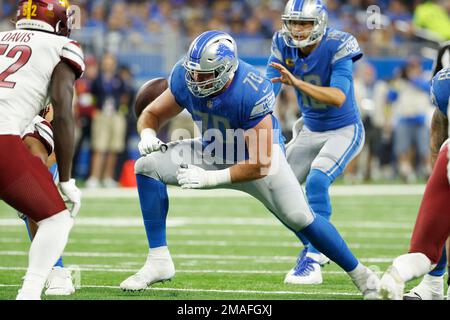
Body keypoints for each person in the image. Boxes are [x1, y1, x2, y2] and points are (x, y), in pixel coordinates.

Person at [119, 30, 379, 299]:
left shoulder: (251, 89)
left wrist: (210, 179)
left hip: (256, 159)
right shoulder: (185, 76)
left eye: (205, 74)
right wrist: (148, 133)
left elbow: (261, 163)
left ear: (226, 70)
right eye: (194, 72)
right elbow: (151, 113)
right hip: (212, 149)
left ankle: (363, 276)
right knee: (146, 166)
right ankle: (159, 261)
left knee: (300, 217)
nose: (196, 80)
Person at [266, 0, 364, 285]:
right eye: (293, 22)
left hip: (343, 129)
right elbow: (269, 84)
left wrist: (296, 83)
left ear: (319, 23)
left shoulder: (339, 43)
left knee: (317, 180)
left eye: (305, 23)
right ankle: (319, 246)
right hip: (309, 129)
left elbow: (338, 96)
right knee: (273, 189)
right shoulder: (281, 43)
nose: (297, 29)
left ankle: (313, 255)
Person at [0, 0, 84, 300]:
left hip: (21, 119)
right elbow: (63, 113)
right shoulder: (61, 46)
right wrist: (67, 180)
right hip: (6, 134)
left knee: (36, 166)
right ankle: (36, 287)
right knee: (56, 218)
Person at [378, 67, 450, 300]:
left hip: (448, 154)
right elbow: (438, 126)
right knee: (427, 249)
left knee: (424, 252)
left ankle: (395, 276)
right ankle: (430, 285)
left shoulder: (443, 81)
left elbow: (438, 128)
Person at [19, 106, 75, 296]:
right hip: (12, 132)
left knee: (35, 202)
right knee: (28, 206)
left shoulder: (49, 84)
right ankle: (45, 268)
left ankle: (56, 271)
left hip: (42, 140)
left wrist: (63, 178)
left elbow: (61, 123)